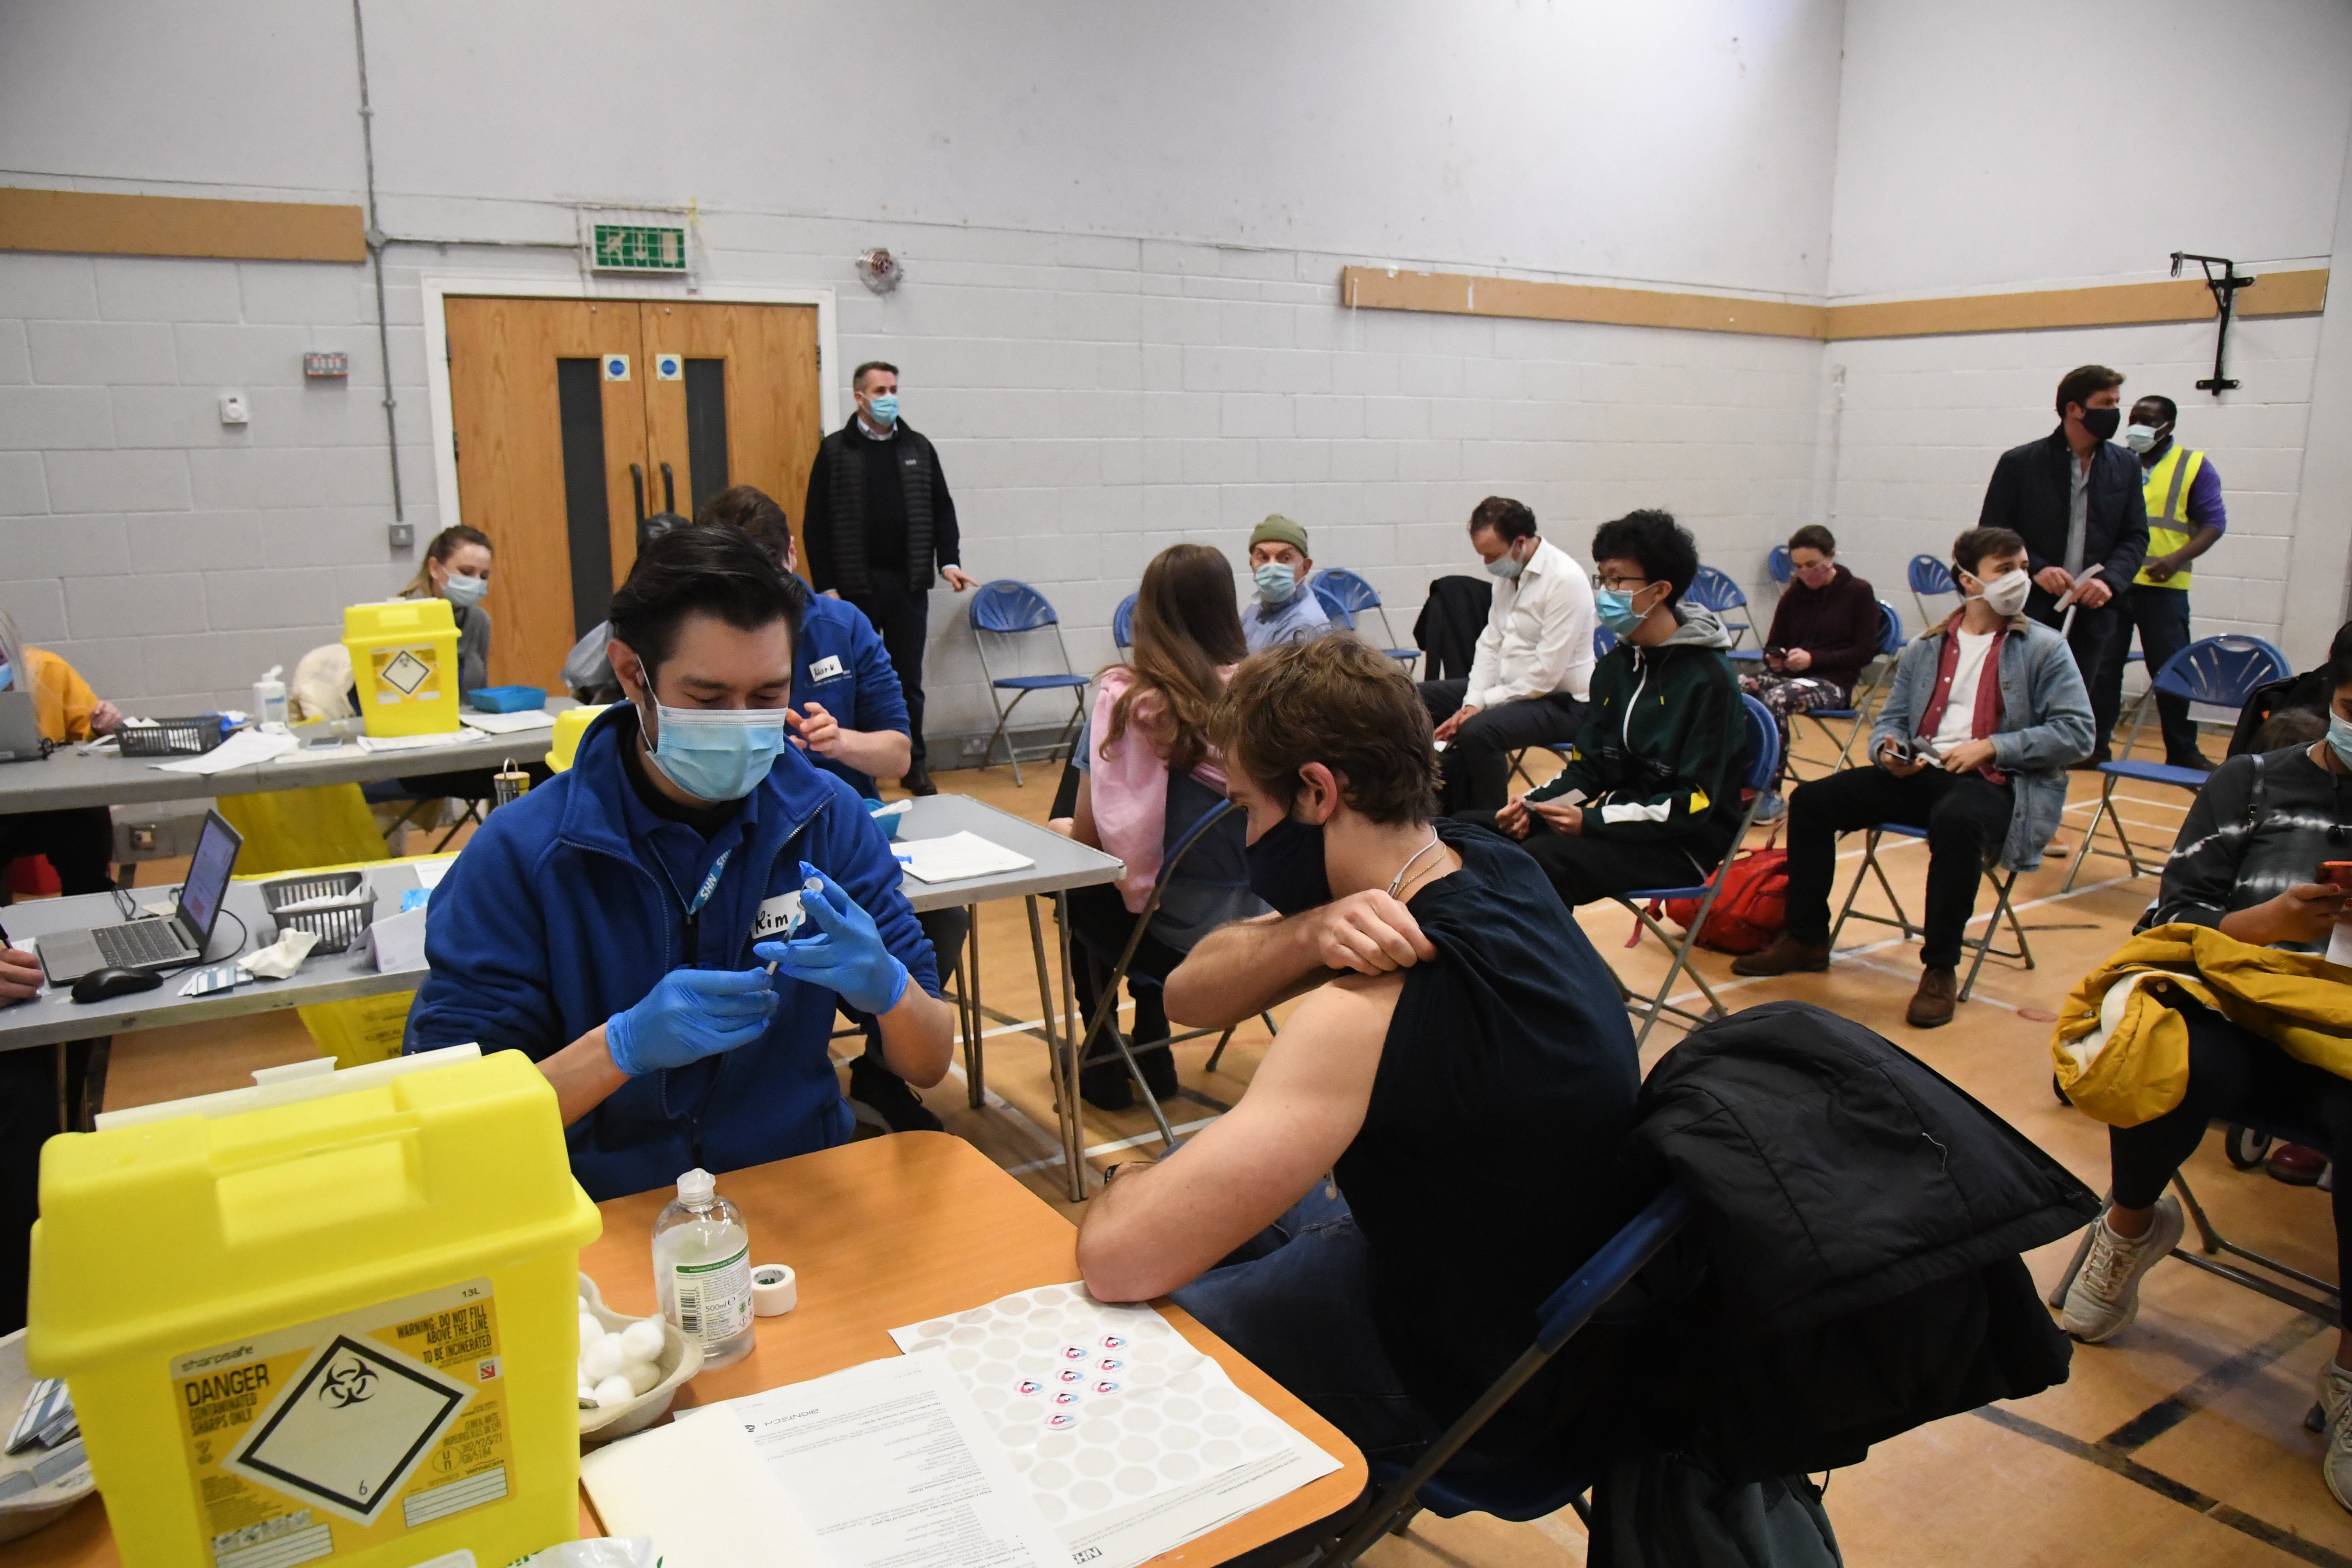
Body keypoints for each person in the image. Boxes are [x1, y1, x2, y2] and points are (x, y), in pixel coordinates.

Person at [1074, 634, 1639, 1466]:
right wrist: (1308, 930)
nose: (1247, 832)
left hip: (1473, 1385)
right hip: (1560, 1318)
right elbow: (1188, 992)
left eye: (1249, 808)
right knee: (1240, 1210)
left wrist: (1122, 1189)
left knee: (1112, 1353)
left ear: (1314, 791)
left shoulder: (1377, 1001)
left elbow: (1116, 1259)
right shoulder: (1484, 861)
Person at [405, 526, 955, 1200]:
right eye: (708, 699)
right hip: (606, 1206)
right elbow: (461, 1121)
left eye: (766, 696)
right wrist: (618, 1049)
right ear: (634, 674)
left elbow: (930, 1063)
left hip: (794, 1188)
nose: (745, 724)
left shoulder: (826, 819)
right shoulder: (526, 854)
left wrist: (890, 988)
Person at [2058, 620, 2352, 1508]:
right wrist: (2269, 925)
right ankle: (2129, 1223)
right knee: (2163, 1042)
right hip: (2244, 1002)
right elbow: (2169, 922)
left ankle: (2348, 1369)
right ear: (2334, 697)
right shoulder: (2253, 782)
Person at [1734, 528, 2094, 1027]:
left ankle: (1940, 968)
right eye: (2005, 569)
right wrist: (1887, 751)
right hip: (1921, 770)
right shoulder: (1927, 648)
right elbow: (1892, 720)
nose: (2020, 580)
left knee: (1958, 821)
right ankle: (1807, 937)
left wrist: (1994, 745)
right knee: (1815, 800)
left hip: (1993, 781)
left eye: (2023, 567)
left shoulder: (2044, 649)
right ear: (1968, 580)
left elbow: (2078, 733)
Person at [1065, 544, 1266, 1110]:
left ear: (1146, 613)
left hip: (1173, 936)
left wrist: (1059, 830)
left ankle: (1107, 1055)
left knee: (1079, 886)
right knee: (1144, 878)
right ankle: (1150, 1043)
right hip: (1268, 920)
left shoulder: (1130, 704)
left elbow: (1088, 842)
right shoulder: (1268, 697)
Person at [1474, 509, 1745, 907]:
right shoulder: (1617, 667)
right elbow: (1592, 769)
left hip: (1683, 844)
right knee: (1470, 832)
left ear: (1659, 591)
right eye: (1603, 579)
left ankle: (1544, 967)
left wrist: (1594, 822)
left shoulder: (1710, 680)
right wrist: (1533, 807)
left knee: (1537, 864)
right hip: (1617, 822)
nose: (1605, 592)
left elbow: (1695, 802)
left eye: (1618, 580)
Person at [802, 361, 978, 796]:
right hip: (852, 588)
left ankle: (912, 763)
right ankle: (857, 766)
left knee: (907, 681)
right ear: (860, 397)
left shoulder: (917, 447)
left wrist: (949, 562)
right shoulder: (834, 451)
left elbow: (942, 510)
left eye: (894, 389)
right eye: (880, 390)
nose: (888, 397)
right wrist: (826, 585)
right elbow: (816, 523)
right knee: (852, 681)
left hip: (907, 585)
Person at [1976, 364, 2149, 766]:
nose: (2115, 411)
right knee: (2017, 698)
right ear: (2074, 409)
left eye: (2116, 403)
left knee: (2070, 709)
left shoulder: (2125, 465)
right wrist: (2034, 568)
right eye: (2105, 403)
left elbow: (2136, 536)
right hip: (2029, 604)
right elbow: (1993, 531)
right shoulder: (2021, 462)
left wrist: (2111, 580)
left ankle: (2048, 792)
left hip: (2094, 609)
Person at [1416, 496, 1596, 814]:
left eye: (1492, 555)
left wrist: (1481, 706)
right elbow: (1490, 644)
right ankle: (1434, 807)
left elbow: (1546, 675)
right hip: (1511, 690)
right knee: (1418, 696)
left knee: (1479, 731)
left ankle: (1493, 826)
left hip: (1564, 701)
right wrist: (1472, 702)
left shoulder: (1565, 580)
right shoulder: (1507, 576)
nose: (1488, 565)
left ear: (1521, 543)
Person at [2119, 395, 2228, 770]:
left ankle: (2183, 750)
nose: (2138, 427)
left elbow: (2214, 524)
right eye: (2134, 418)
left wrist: (2177, 558)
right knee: (2100, 667)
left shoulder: (2193, 466)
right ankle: (2095, 745)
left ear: (2168, 426)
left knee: (2172, 670)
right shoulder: (2116, 461)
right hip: (2114, 584)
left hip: (2163, 589)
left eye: (2148, 421)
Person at [0, 608, 122, 895]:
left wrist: (105, 726)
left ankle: (93, 903)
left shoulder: (48, 671)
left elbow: (89, 735)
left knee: (87, 814)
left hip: (48, 807)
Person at [1742, 525, 1881, 768]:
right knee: (1735, 686)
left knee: (1777, 699)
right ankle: (1735, 768)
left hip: (1833, 683)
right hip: (1789, 676)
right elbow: (1774, 642)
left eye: (1812, 565)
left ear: (1831, 557)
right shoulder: (1794, 595)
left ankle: (1769, 779)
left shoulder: (1858, 592)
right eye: (1798, 567)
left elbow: (1865, 652)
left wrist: (1813, 659)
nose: (1805, 573)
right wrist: (1773, 658)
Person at [402, 524, 495, 694]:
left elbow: (481, 692)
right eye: (466, 572)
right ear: (435, 569)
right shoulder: (404, 617)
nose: (477, 582)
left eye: (484, 576)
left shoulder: (478, 620)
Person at [1240, 514, 1331, 653]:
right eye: (1263, 557)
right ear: (1252, 565)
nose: (1272, 567)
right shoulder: (1257, 607)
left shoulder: (1305, 626)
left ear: (1305, 567)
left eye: (1285, 558)